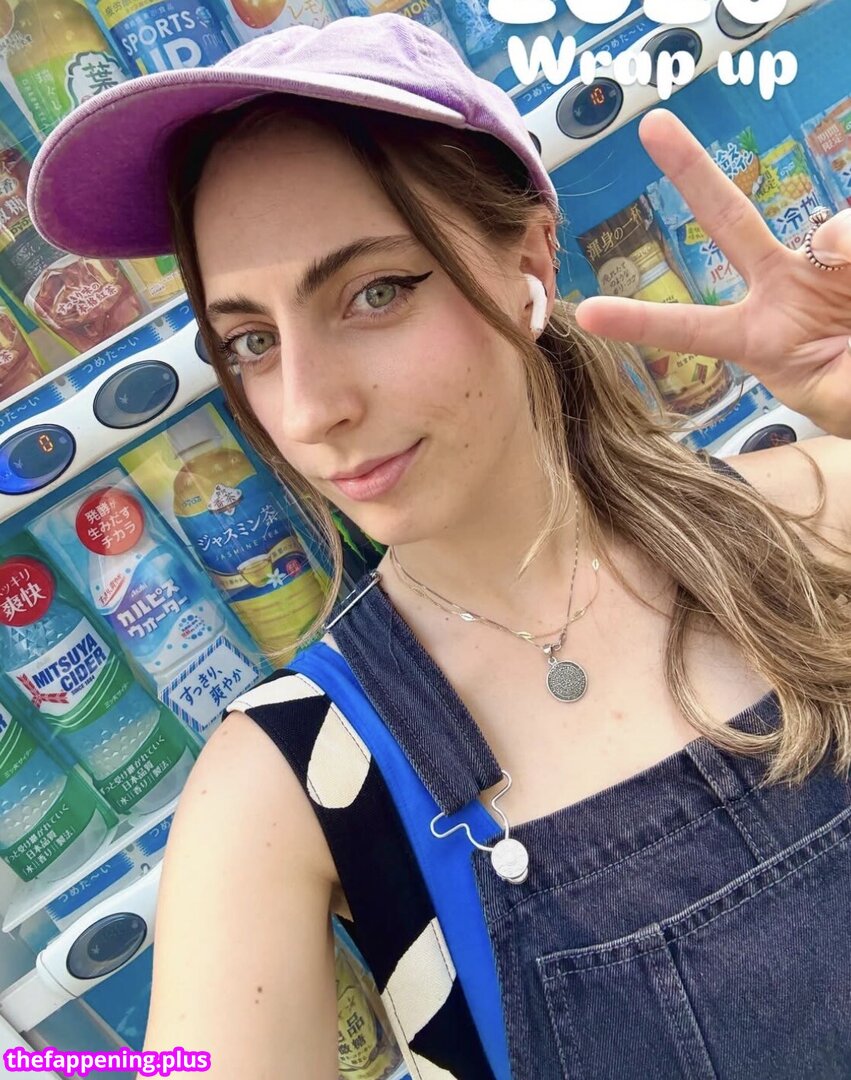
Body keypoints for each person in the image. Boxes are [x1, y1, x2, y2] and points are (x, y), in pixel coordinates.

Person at [28, 13, 851, 1080]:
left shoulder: (818, 512)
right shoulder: (278, 786)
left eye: (374, 293)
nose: (308, 408)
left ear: (528, 260)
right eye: (251, 340)